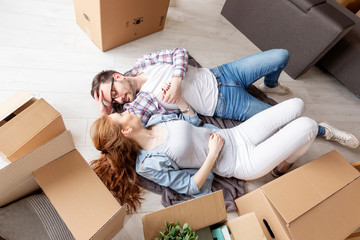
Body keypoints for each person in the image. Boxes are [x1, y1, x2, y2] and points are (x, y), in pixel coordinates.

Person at [90, 48, 359, 149]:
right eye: (113, 102)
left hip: (222, 73)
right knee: (286, 120)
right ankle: (324, 130)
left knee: (282, 55)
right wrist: (105, 110)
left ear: (117, 75)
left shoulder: (143, 63)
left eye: (113, 91)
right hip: (225, 103)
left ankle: (271, 85)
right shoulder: (140, 105)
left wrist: (176, 82)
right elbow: (116, 130)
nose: (119, 99)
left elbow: (179, 53)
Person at [90, 97, 319, 213]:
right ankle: (283, 166)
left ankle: (282, 165)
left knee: (297, 105)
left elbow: (193, 122)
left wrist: (179, 101)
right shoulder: (148, 164)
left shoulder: (155, 121)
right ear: (126, 131)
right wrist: (213, 154)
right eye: (120, 116)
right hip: (241, 161)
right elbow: (191, 186)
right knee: (309, 126)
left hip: (235, 134)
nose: (126, 109)